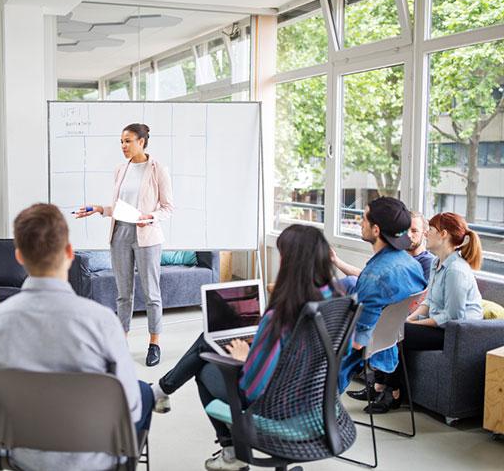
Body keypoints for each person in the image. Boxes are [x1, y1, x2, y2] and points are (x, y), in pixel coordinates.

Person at [0, 203, 154, 471]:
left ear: (19, 256)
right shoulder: (102, 322)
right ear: (69, 253)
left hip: (25, 458)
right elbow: (130, 409)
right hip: (94, 459)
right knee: (143, 392)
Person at [149, 225, 343, 471]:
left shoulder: (281, 317)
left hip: (276, 407)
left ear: (289, 262)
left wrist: (244, 359)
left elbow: (252, 388)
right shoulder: (337, 302)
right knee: (207, 342)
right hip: (317, 402)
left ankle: (231, 451)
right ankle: (162, 390)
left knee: (205, 366)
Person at [74, 123, 174, 366]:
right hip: (119, 233)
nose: (123, 146)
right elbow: (120, 207)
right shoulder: (121, 169)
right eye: (121, 141)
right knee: (123, 294)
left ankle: (154, 343)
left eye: (128, 141)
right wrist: (98, 209)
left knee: (151, 293)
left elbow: (168, 208)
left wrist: (148, 217)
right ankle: (121, 342)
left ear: (141, 141)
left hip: (147, 235)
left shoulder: (158, 169)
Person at [370, 212, 483, 412]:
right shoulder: (436, 263)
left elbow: (452, 318)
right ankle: (382, 386)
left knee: (399, 332)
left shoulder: (456, 270)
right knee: (393, 325)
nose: (426, 234)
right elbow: (429, 302)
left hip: (458, 334)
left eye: (430, 230)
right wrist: (407, 319)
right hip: (440, 325)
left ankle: (393, 392)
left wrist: (412, 325)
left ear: (444, 234)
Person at [341, 197, 428, 412]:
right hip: (392, 337)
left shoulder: (374, 276)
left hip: (371, 346)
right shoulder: (411, 264)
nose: (360, 223)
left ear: (377, 230)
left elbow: (358, 342)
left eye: (363, 219)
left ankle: (311, 408)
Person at [332, 211, 435, 293]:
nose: (408, 235)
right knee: (343, 283)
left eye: (414, 231)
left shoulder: (427, 262)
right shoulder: (397, 256)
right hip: (374, 300)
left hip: (387, 309)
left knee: (347, 283)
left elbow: (419, 298)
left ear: (425, 234)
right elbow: (366, 276)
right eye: (404, 230)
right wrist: (336, 261)